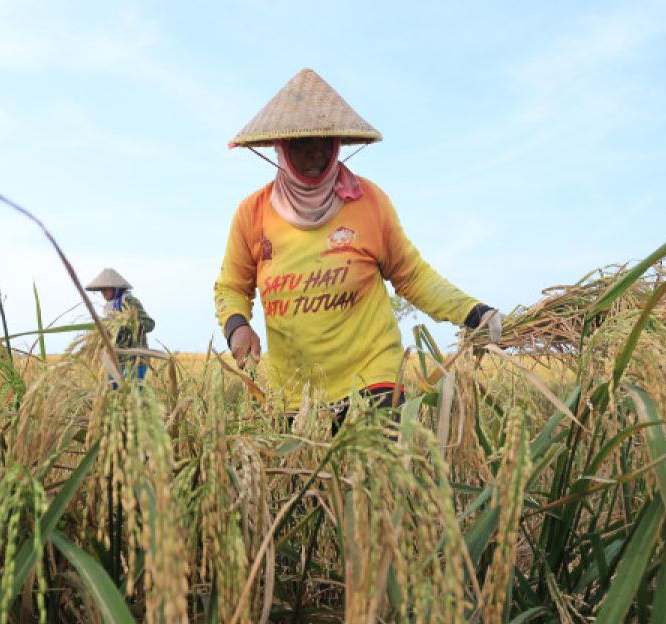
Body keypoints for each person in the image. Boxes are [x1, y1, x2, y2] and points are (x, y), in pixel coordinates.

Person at [214, 68, 503, 414]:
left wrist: (472, 312)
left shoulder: (369, 202)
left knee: (378, 467)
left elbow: (412, 275)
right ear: (281, 147)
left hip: (372, 381)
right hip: (292, 395)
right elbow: (231, 286)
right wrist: (237, 327)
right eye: (302, 143)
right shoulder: (253, 213)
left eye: (326, 141)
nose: (316, 153)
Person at [86, 268, 156, 380]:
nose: (103, 293)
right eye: (101, 290)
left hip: (135, 359)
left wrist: (127, 324)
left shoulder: (129, 302)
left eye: (106, 289)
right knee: (114, 393)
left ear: (116, 289)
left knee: (133, 394)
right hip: (117, 359)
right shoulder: (109, 307)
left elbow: (150, 324)